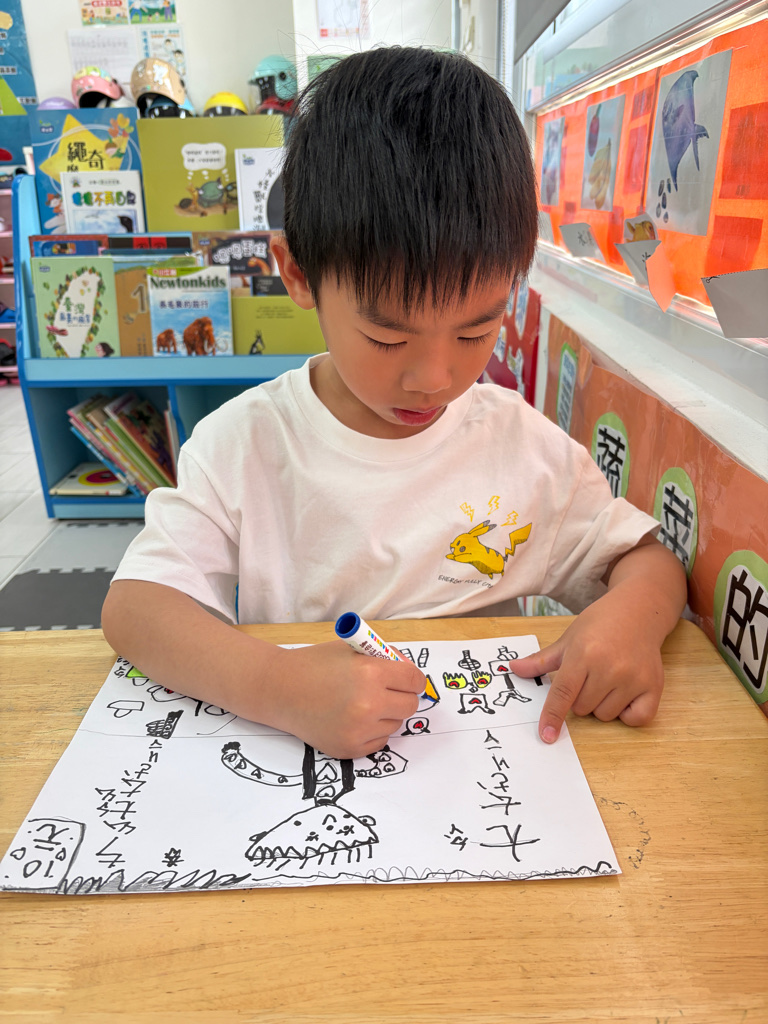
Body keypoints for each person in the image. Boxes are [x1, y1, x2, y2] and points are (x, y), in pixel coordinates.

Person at [102, 47, 686, 760]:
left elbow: (649, 562)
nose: (434, 378)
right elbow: (137, 608)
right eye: (387, 337)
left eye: (475, 331)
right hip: (306, 773)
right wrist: (277, 685)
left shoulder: (520, 446)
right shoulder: (245, 445)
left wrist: (631, 619)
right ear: (298, 273)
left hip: (483, 770)